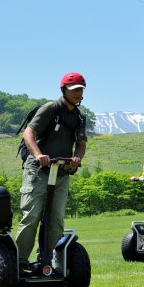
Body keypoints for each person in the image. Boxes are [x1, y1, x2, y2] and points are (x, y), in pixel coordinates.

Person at [14, 72, 87, 274]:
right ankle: (19, 263)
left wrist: (77, 158)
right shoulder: (50, 109)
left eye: (81, 90)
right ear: (63, 90)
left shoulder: (80, 116)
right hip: (38, 170)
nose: (78, 94)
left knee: (56, 220)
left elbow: (81, 144)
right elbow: (29, 133)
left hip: (61, 172)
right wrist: (38, 154)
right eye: (74, 90)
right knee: (32, 216)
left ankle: (49, 263)